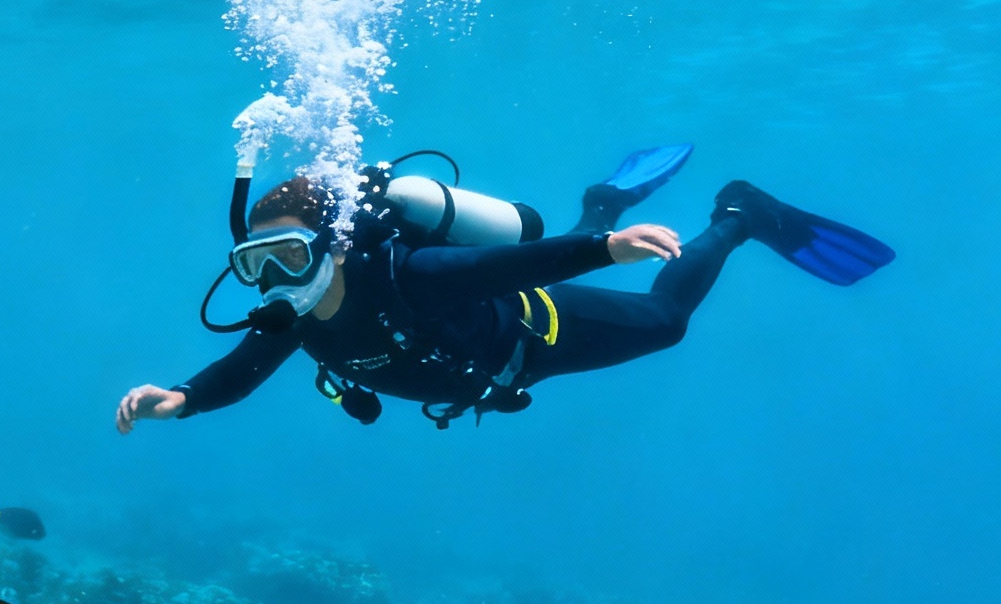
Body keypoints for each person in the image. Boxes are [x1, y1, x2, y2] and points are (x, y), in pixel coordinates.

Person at [115, 148, 893, 430]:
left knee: (665, 320)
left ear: (331, 246)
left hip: (538, 331)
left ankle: (737, 213)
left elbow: (506, 268)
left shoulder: (406, 275)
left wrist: (604, 250)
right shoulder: (294, 320)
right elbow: (237, 374)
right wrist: (180, 399)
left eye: (286, 256)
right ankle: (605, 197)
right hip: (495, 376)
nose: (274, 283)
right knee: (611, 265)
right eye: (256, 264)